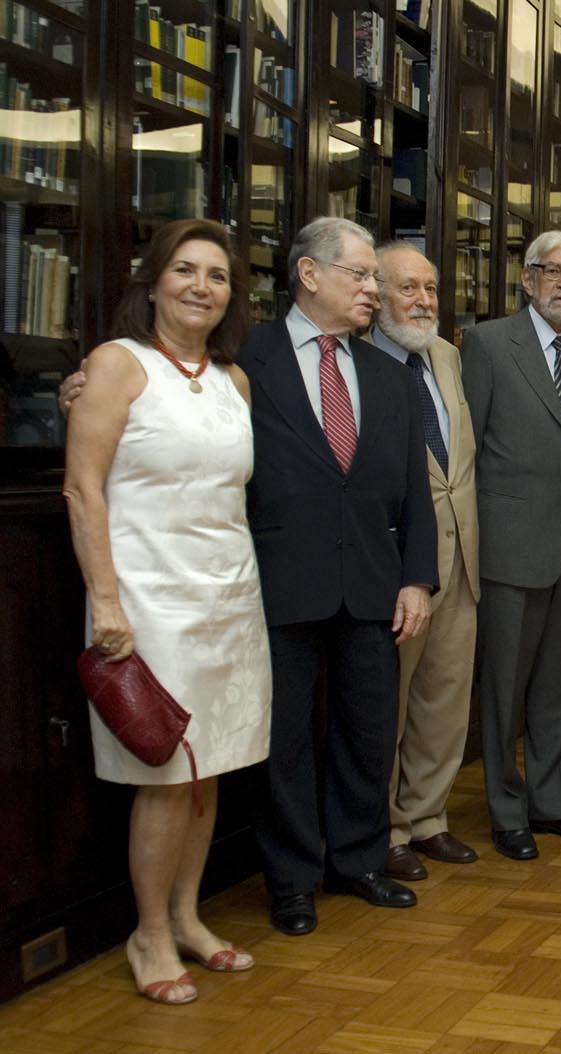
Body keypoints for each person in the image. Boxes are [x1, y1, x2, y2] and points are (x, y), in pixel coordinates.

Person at [62, 218, 269, 1003]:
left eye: (217, 276)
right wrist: (106, 602)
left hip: (228, 597)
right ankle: (147, 934)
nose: (201, 287)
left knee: (207, 770)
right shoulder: (117, 367)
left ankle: (187, 916)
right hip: (147, 602)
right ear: (152, 282)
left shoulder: (233, 381)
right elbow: (83, 489)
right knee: (162, 771)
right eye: (185, 270)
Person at [241, 216, 437, 936]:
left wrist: (417, 579)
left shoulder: (389, 376)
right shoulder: (247, 357)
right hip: (280, 581)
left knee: (366, 729)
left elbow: (414, 488)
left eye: (374, 278)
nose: (373, 290)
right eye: (359, 274)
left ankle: (356, 861)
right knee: (285, 740)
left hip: (373, 583)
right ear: (309, 273)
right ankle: (291, 879)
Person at [462, 231, 561, 862]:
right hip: (510, 545)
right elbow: (466, 453)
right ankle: (506, 809)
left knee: (559, 684)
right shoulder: (490, 344)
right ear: (527, 280)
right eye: (554, 273)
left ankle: (556, 804)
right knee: (503, 688)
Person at [369, 242, 481, 881]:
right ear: (376, 293)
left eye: (431, 289)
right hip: (393, 564)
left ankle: (428, 817)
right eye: (408, 288)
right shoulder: (357, 360)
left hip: (461, 557)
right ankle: (384, 829)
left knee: (444, 698)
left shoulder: (446, 356)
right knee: (390, 701)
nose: (423, 301)